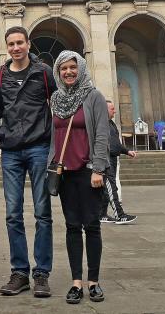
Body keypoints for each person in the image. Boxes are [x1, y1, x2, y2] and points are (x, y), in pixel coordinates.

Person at [0, 26, 57, 298]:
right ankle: (20, 272)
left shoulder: (44, 72)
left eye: (20, 42)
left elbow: (58, 104)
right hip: (11, 153)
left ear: (28, 44)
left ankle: (41, 273)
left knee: (43, 212)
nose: (16, 48)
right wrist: (1, 134)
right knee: (12, 213)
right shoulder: (2, 75)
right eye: (11, 44)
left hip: (39, 148)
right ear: (7, 47)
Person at [49, 50, 109, 305]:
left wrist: (98, 169)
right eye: (63, 69)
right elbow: (53, 135)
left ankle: (93, 282)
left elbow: (102, 134)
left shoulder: (94, 96)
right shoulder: (55, 98)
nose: (68, 72)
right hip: (65, 173)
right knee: (72, 227)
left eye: (72, 67)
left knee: (92, 226)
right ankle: (76, 282)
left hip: (88, 171)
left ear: (80, 68)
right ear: (58, 73)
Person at [100, 101, 137, 224]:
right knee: (111, 187)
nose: (114, 111)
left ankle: (101, 214)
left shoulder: (111, 124)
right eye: (112, 109)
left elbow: (116, 143)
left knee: (106, 188)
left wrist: (127, 151)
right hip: (106, 159)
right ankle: (119, 215)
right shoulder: (101, 123)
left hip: (114, 158)